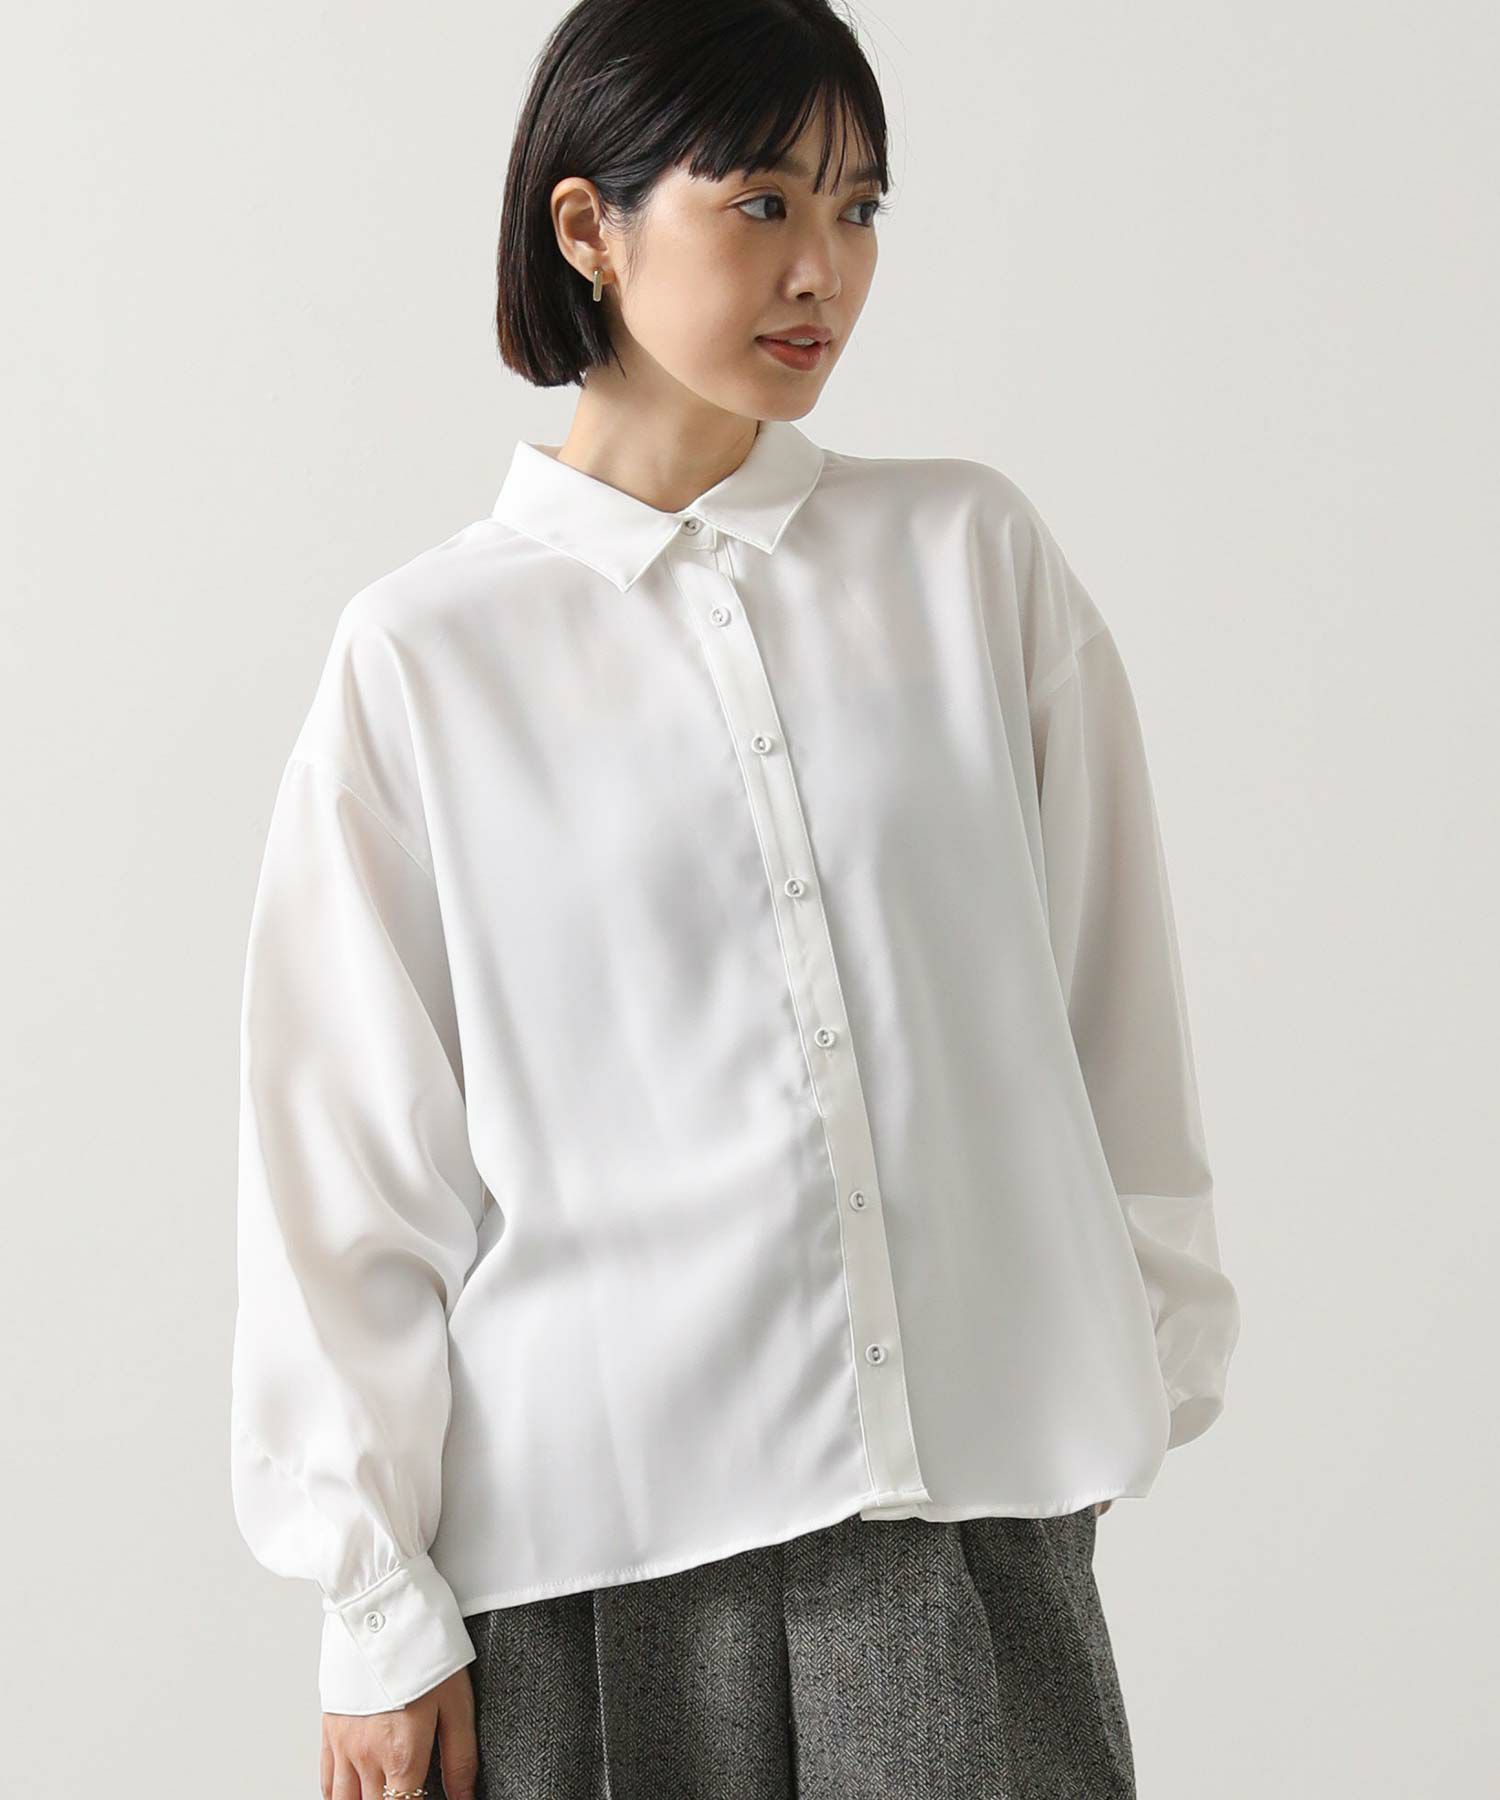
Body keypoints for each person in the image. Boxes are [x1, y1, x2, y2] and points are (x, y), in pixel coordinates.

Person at [230, 1, 1242, 1796]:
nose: (822, 270)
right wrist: (374, 1599)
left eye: (860, 208)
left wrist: (1130, 1358)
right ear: (587, 227)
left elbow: (1115, 1001)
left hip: (966, 1529)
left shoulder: (971, 559)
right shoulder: (424, 656)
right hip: (596, 1566)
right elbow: (352, 1162)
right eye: (761, 202)